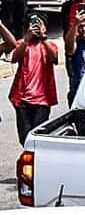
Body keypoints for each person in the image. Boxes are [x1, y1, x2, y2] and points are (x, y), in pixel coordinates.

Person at [7, 13, 58, 143]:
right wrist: (26, 39)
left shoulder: (50, 45)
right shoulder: (22, 44)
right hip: (22, 100)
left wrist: (44, 38)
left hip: (42, 101)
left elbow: (54, 58)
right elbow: (14, 58)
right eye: (33, 24)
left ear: (45, 28)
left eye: (39, 25)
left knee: (38, 137)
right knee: (24, 138)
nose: (36, 28)